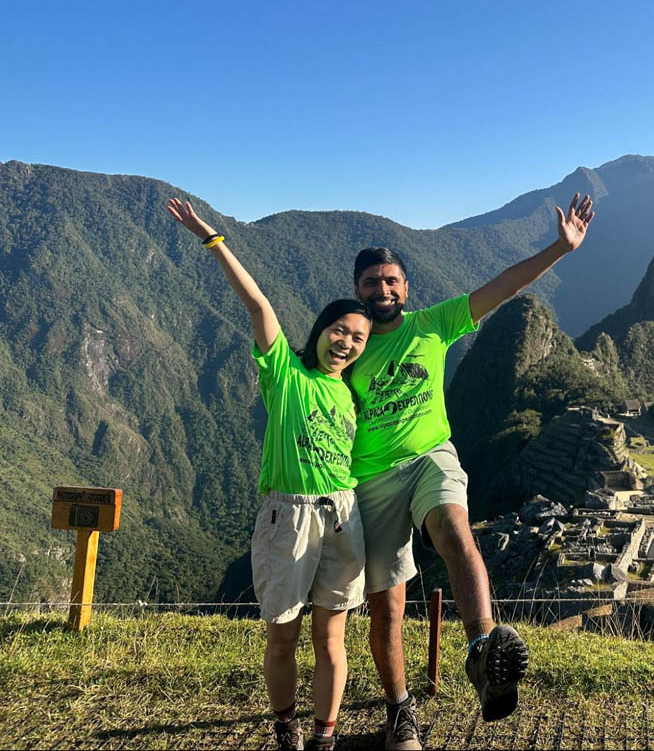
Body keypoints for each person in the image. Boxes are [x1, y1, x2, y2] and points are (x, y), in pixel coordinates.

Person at [350, 193, 595, 751]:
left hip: (430, 457)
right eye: (371, 283)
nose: (383, 290)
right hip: (371, 476)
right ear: (357, 290)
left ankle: (483, 650)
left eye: (391, 281)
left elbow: (503, 287)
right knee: (387, 603)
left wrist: (559, 249)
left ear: (406, 287)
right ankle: (399, 711)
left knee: (456, 531)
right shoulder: (348, 343)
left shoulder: (433, 325)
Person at [167, 198, 371, 751]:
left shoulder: (350, 393)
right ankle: (287, 728)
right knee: (282, 637)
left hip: (343, 514)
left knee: (332, 640)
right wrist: (212, 239)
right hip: (290, 515)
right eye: (339, 330)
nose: (346, 342)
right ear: (321, 330)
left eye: (358, 338)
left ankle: (324, 736)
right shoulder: (286, 374)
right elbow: (258, 304)